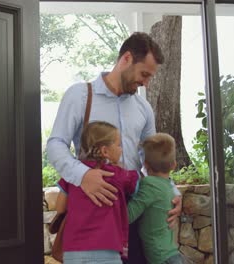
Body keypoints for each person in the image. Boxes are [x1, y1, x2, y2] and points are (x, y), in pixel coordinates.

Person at [46, 32, 182, 263]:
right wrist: (84, 175)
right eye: (144, 74)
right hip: (95, 212)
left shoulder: (143, 107)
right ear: (126, 59)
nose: (146, 83)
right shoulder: (80, 95)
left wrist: (172, 191)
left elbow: (152, 157)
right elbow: (55, 144)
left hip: (137, 211)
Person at [57, 121, 139, 264]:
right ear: (105, 151)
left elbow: (60, 207)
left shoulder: (73, 174)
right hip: (106, 250)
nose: (121, 149)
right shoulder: (118, 175)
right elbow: (137, 186)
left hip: (73, 251)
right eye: (119, 145)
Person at [128, 133, 184, 264]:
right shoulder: (168, 186)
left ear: (145, 165)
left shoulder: (149, 185)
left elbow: (128, 215)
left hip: (160, 258)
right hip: (171, 254)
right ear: (174, 165)